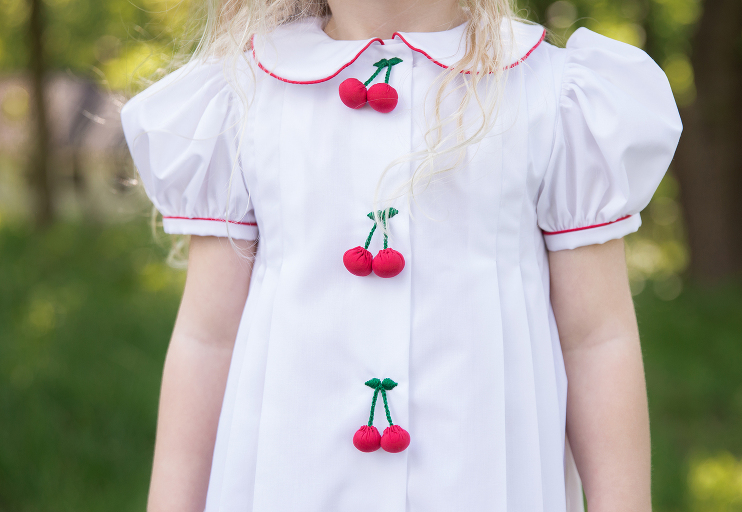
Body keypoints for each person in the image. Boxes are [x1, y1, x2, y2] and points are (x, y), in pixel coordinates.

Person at [120, 0, 682, 510]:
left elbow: (596, 339)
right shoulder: (244, 96)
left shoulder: (552, 96)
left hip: (481, 483)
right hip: (288, 482)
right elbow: (206, 338)